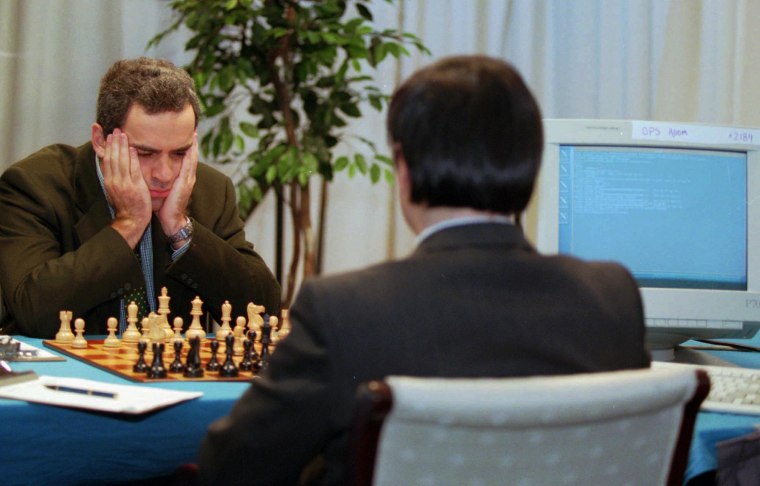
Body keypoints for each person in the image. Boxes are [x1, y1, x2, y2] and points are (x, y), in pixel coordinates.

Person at [197, 55, 650, 485]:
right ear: (531, 168)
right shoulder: (613, 298)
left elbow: (233, 470)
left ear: (405, 170)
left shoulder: (342, 312)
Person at [0, 57, 280, 338]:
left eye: (179, 153)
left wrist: (181, 229)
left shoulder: (210, 190)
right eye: (145, 153)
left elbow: (264, 312)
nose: (164, 173)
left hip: (172, 377)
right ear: (100, 140)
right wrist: (129, 224)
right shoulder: (35, 185)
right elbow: (33, 312)